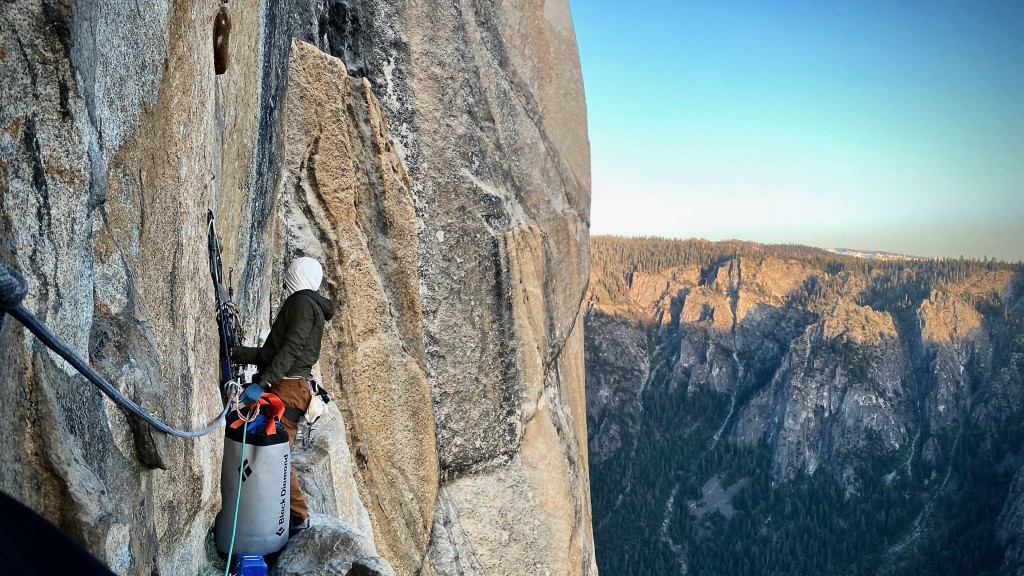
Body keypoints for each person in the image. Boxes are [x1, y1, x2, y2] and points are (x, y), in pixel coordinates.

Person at [231, 256, 334, 535]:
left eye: (292, 273)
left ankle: (298, 517)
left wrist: (264, 382)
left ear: (298, 275)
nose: (288, 277)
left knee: (277, 455)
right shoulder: (307, 305)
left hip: (287, 390)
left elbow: (291, 348)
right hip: (290, 387)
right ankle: (277, 514)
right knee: (271, 451)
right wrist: (238, 353)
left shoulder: (302, 303)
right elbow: (272, 354)